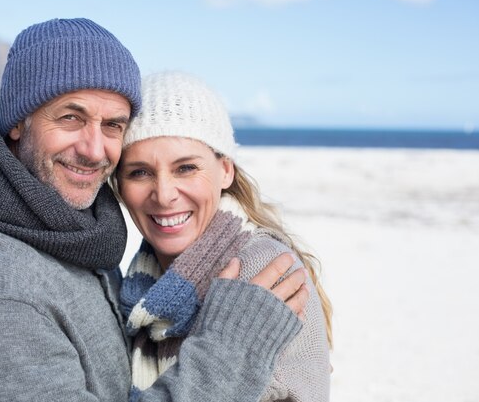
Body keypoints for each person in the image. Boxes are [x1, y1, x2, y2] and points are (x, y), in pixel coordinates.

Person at [0, 18, 310, 402]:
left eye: (112, 125)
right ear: (19, 122)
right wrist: (230, 351)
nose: (93, 149)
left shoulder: (72, 233)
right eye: (71, 117)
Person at [113, 71, 333, 401]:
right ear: (119, 185)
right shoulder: (143, 282)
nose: (163, 194)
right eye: (139, 172)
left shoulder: (261, 268)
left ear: (226, 170)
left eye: (185, 168)